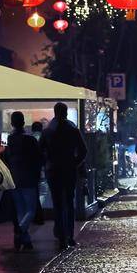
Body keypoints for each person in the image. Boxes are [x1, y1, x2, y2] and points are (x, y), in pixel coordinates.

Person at [41, 101, 87, 249]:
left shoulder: (48, 130)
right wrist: (74, 162)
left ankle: (60, 234)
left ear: (55, 112)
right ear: (66, 112)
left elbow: (40, 149)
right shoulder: (72, 128)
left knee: (57, 203)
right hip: (68, 168)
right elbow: (83, 150)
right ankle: (70, 235)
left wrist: (47, 162)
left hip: (52, 169)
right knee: (68, 201)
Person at [4, 111, 43, 252]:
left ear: (12, 123)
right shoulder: (30, 140)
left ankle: (25, 239)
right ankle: (20, 232)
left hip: (14, 178)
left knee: (20, 210)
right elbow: (38, 158)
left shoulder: (9, 140)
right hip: (29, 178)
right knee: (31, 210)